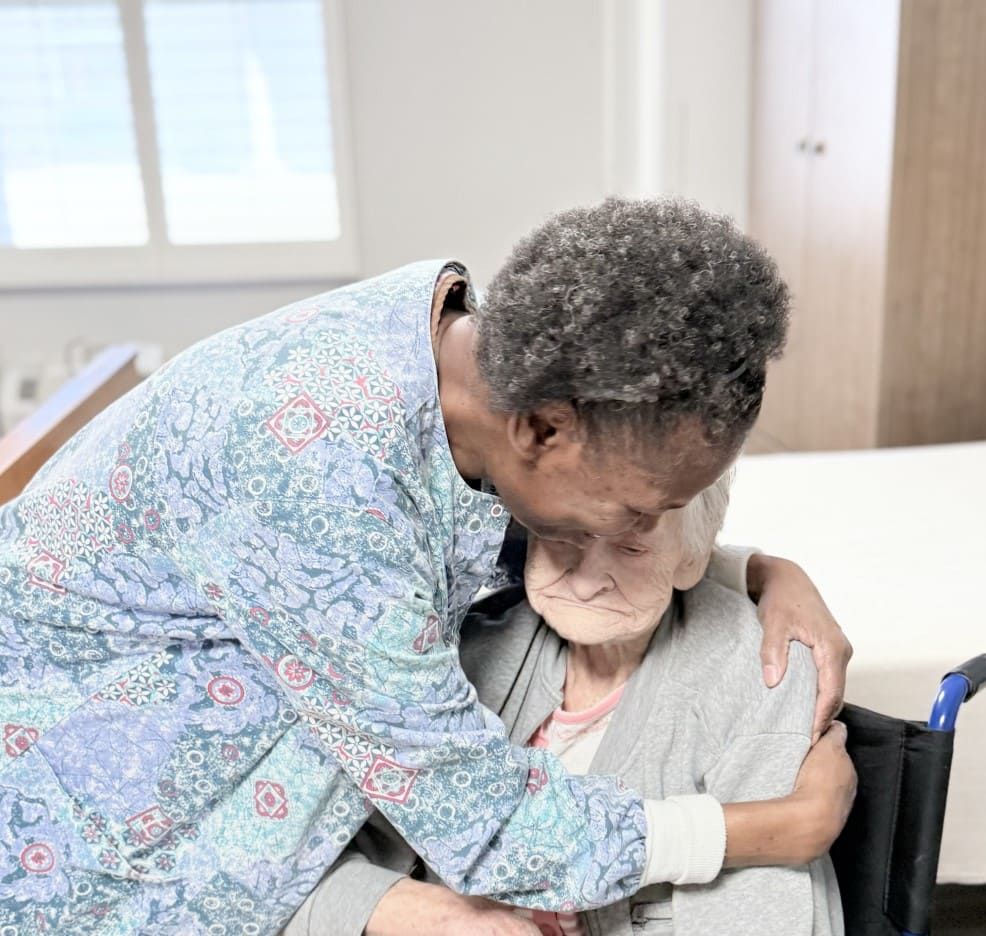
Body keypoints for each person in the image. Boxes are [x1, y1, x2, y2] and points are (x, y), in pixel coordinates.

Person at [0, 198, 852, 934]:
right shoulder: (318, 482)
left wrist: (744, 567)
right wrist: (771, 830)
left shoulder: (451, 339)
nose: (644, 529)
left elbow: (454, 534)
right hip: (71, 800)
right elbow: (488, 827)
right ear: (543, 432)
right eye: (638, 512)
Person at [284, 472, 851, 936]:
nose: (585, 582)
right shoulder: (456, 651)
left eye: (630, 546)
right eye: (563, 536)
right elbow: (284, 875)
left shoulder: (761, 670)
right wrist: (424, 912)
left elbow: (757, 912)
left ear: (692, 556)